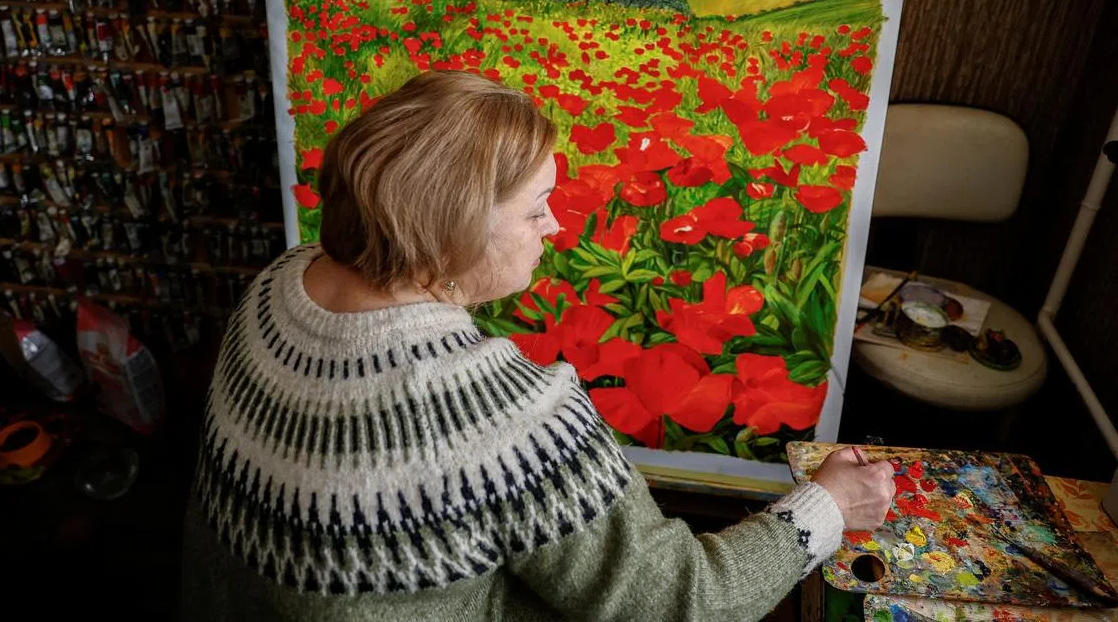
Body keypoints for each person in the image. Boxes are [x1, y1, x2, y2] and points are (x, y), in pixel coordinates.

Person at [182, 70, 896, 622]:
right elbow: (684, 603)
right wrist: (826, 505)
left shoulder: (282, 281)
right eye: (534, 208)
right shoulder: (499, 419)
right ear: (455, 227)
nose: (555, 226)